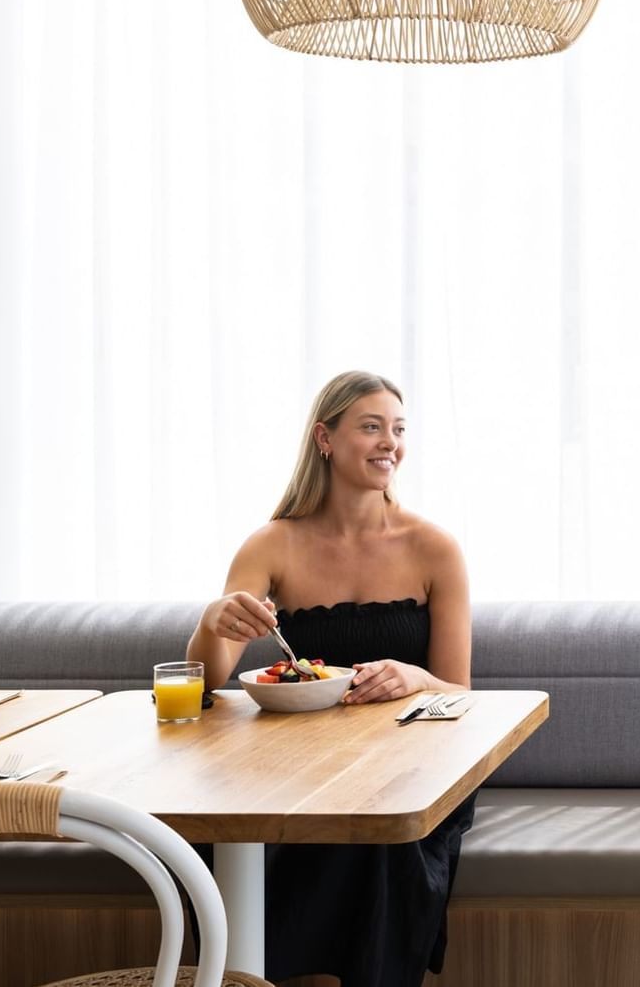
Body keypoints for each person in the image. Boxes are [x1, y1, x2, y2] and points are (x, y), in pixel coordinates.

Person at [187, 370, 474, 987]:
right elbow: (209, 680)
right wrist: (214, 620)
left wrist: (416, 676)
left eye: (398, 430)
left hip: (411, 765)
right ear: (325, 437)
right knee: (237, 831)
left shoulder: (434, 549)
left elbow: (461, 693)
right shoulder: (272, 545)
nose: (389, 443)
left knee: (374, 840)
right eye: (371, 427)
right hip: (296, 763)